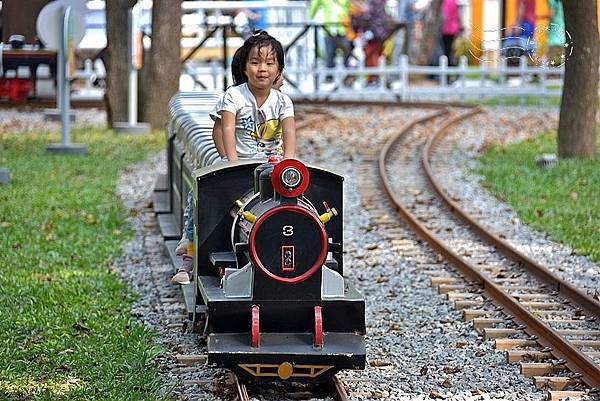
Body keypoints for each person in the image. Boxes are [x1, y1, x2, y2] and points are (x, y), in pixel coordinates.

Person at [221, 31, 295, 161]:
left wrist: (287, 161)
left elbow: (289, 131)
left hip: (272, 164)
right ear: (244, 68)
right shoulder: (233, 96)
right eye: (255, 63)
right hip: (241, 162)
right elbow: (227, 128)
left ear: (279, 70)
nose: (262, 68)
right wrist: (232, 162)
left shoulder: (283, 101)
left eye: (269, 63)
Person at [308, 0, 352, 81]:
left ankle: (347, 77)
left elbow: (349, 6)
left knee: (347, 52)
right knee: (329, 54)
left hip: (343, 29)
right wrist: (309, 18)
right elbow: (315, 5)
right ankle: (329, 78)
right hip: (328, 29)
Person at [440, 0, 461, 67]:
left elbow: (446, 16)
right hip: (453, 29)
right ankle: (451, 67)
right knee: (451, 51)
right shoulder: (454, 1)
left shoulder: (447, 2)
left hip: (447, 29)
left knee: (447, 51)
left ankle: (449, 68)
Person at [545, 0, 565, 67]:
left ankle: (550, 73)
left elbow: (552, 15)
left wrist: (543, 17)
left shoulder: (552, 1)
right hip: (561, 29)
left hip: (554, 32)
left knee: (550, 56)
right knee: (562, 56)